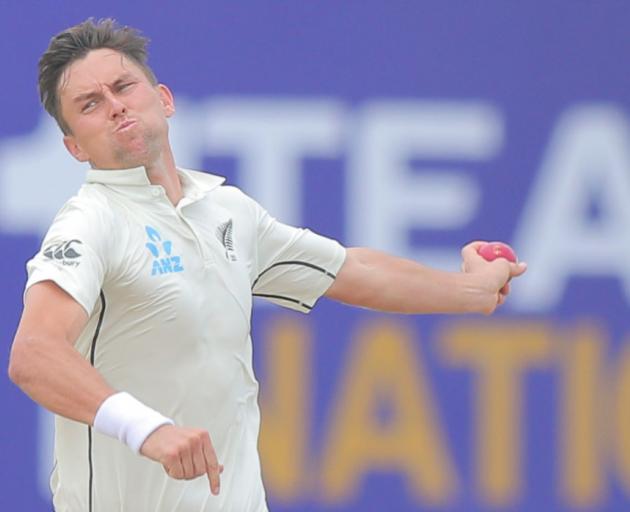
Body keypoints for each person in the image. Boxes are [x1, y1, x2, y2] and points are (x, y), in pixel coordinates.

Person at [7, 18, 527, 512]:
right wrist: (147, 429)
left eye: (124, 86)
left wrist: (470, 292)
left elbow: (349, 270)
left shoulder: (227, 211)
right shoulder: (92, 221)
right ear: (74, 147)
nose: (116, 107)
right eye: (91, 104)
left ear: (164, 100)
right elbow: (33, 353)